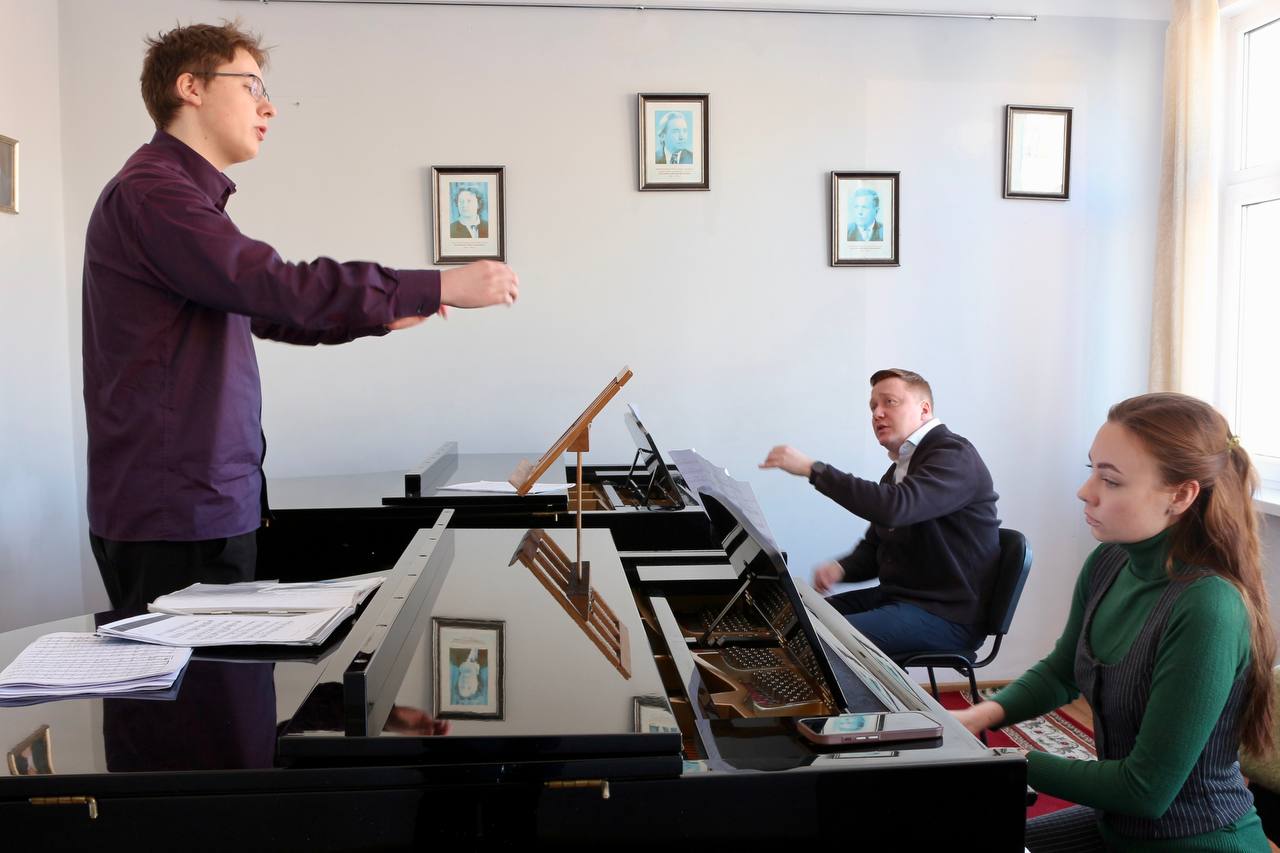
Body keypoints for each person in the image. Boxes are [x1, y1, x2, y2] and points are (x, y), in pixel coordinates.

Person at [83, 21, 520, 611]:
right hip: (177, 516)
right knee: (201, 676)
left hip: (195, 509)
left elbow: (265, 311)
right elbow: (274, 286)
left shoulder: (175, 195)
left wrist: (381, 313)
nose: (268, 107)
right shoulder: (155, 194)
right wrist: (433, 283)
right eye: (251, 86)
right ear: (191, 87)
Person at [952, 393, 1275, 851]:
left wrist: (1002, 759)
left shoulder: (1208, 607)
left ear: (1181, 495)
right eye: (1092, 470)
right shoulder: (1109, 562)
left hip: (1195, 840)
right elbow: (1063, 670)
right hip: (1118, 829)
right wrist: (978, 716)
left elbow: (1144, 790)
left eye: (1111, 480)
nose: (1086, 491)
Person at [760, 368, 1000, 658]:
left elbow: (894, 508)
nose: (877, 413)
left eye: (890, 402)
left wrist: (814, 470)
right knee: (793, 620)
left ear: (924, 410)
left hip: (947, 616)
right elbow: (877, 546)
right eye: (873, 406)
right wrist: (842, 568)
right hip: (899, 600)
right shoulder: (900, 469)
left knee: (816, 641)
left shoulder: (954, 455)